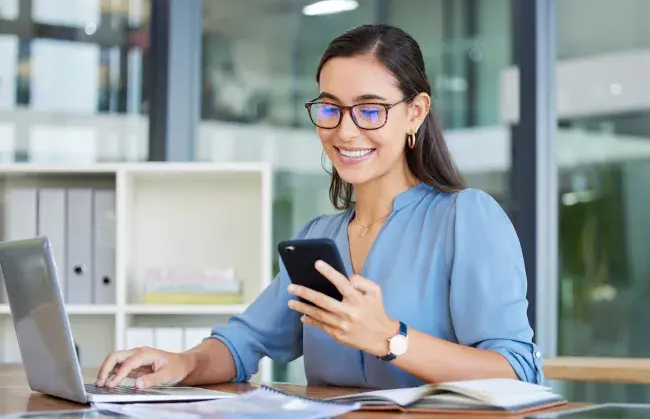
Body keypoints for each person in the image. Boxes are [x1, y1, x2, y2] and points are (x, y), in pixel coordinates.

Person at [96, 23, 543, 391]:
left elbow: (518, 371)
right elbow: (243, 343)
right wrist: (182, 363)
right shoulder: (318, 237)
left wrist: (391, 339)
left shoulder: (466, 218)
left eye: (370, 111)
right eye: (330, 109)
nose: (345, 132)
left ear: (416, 113)